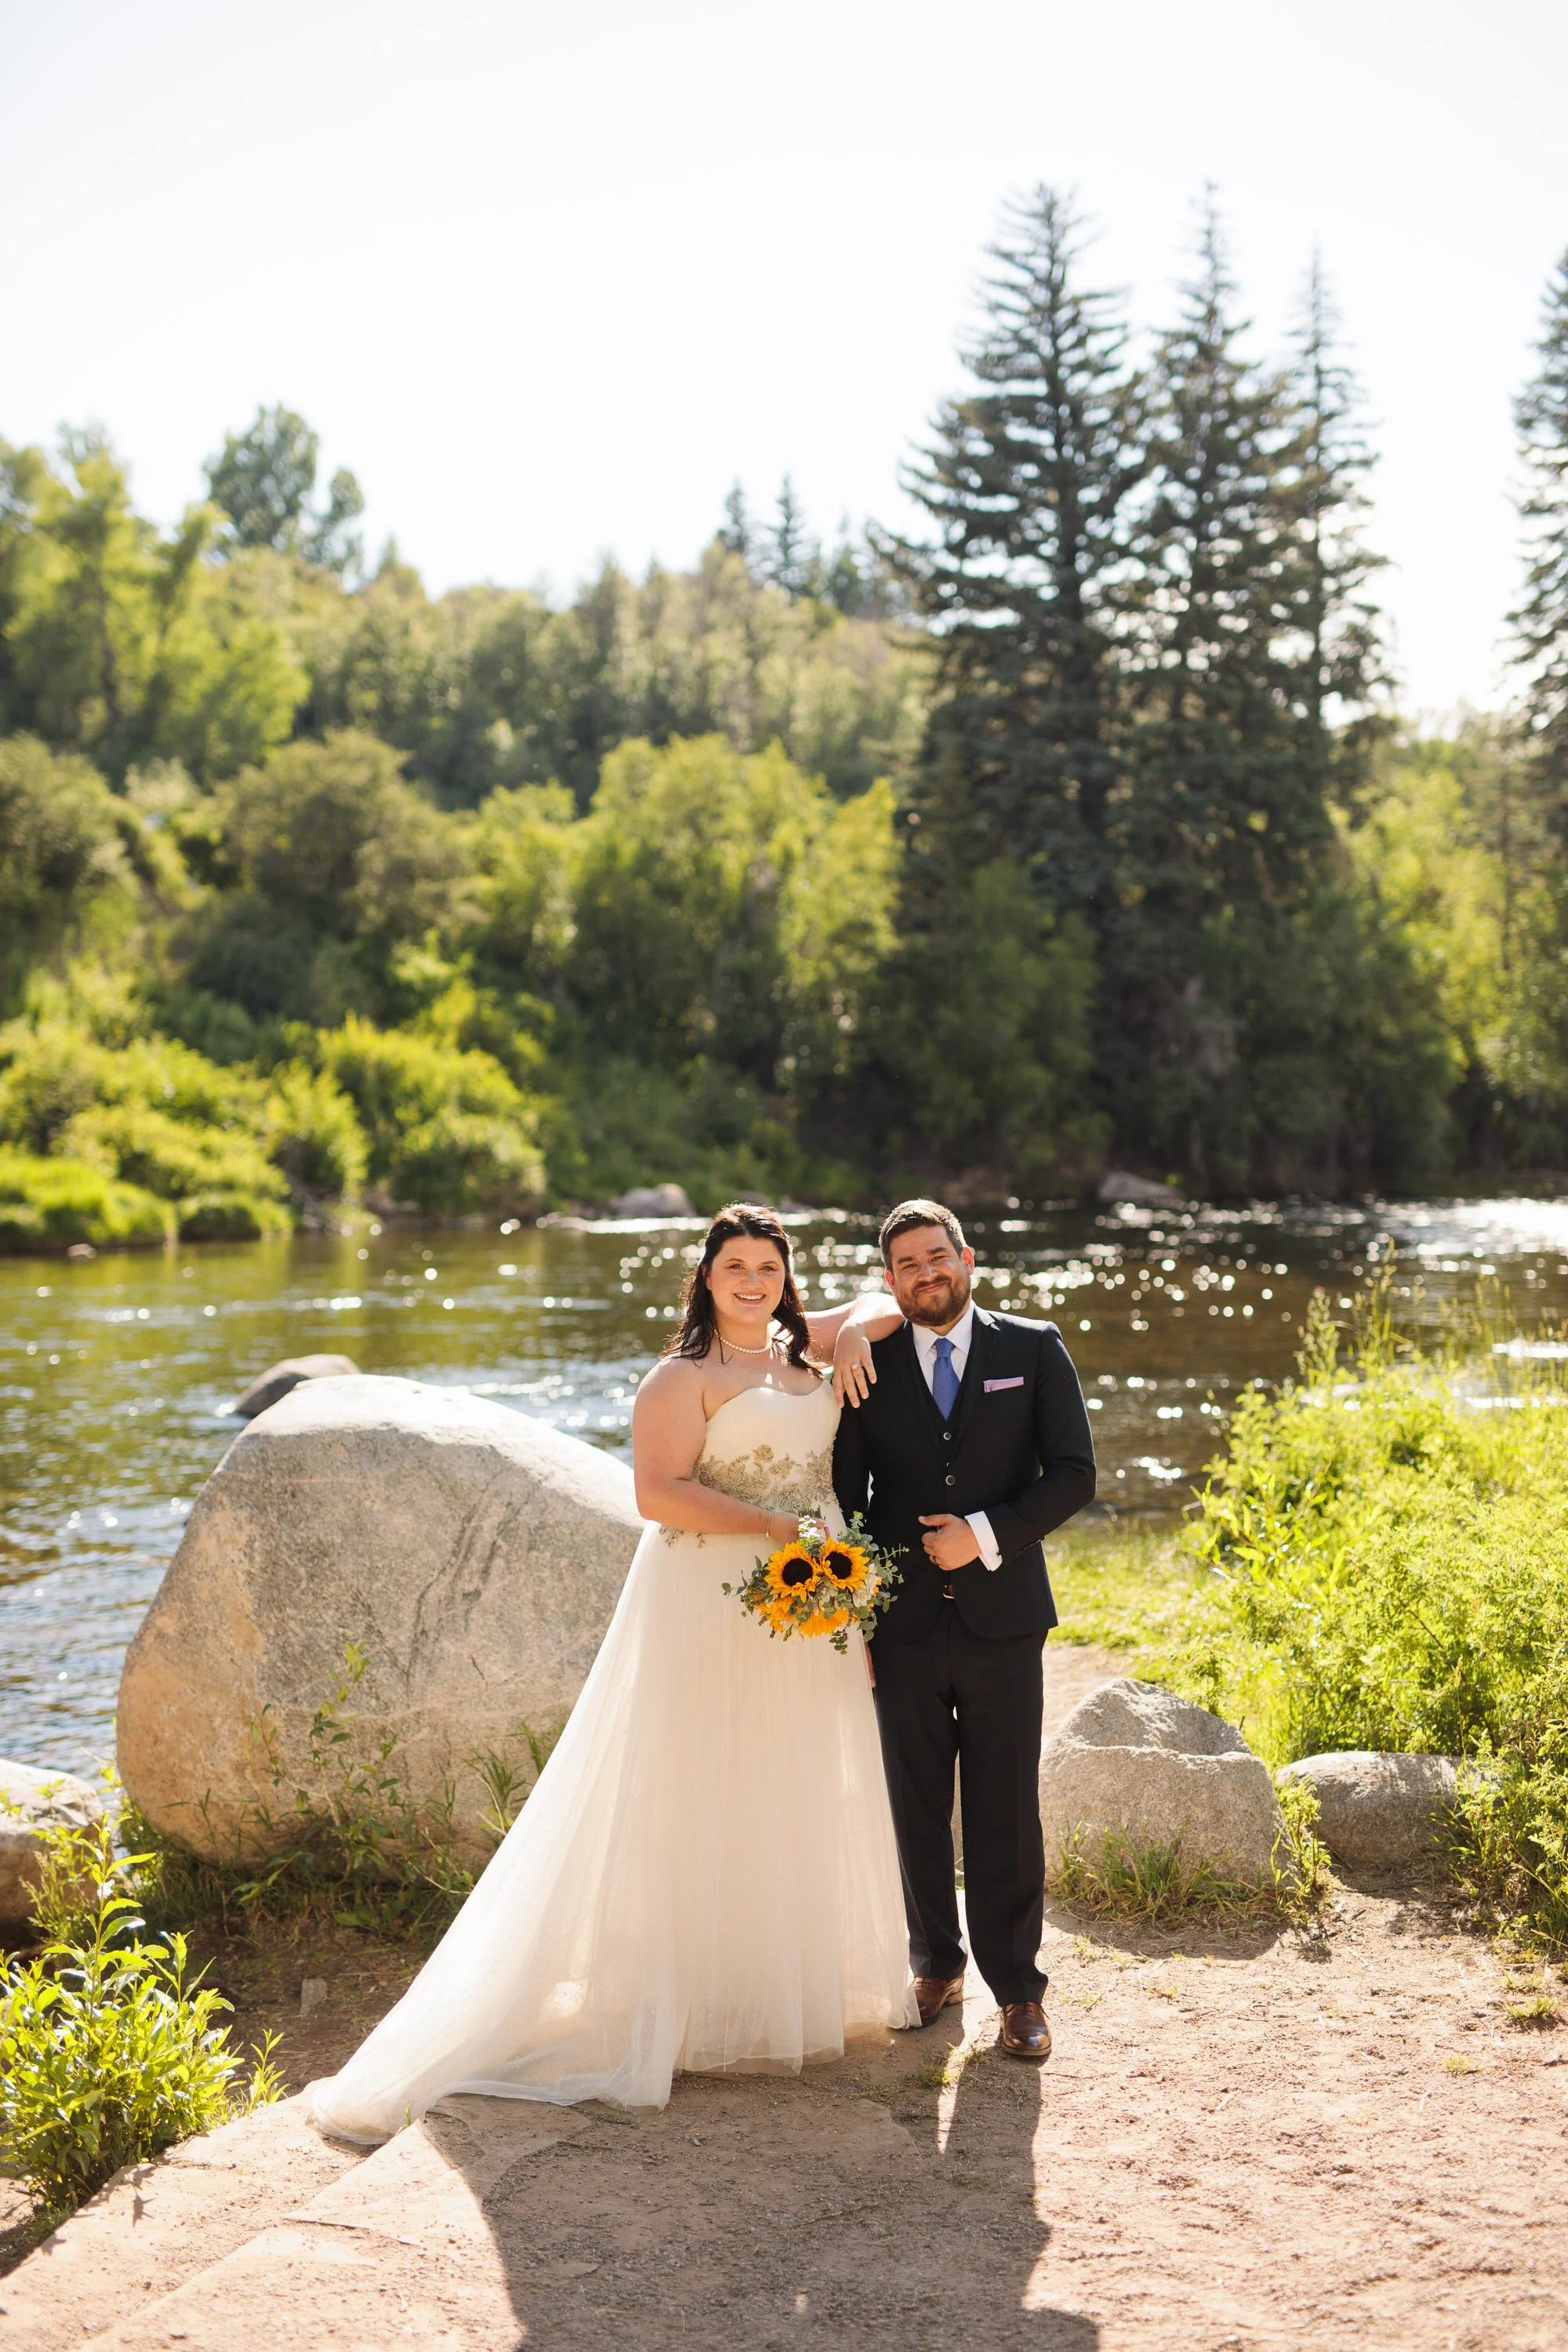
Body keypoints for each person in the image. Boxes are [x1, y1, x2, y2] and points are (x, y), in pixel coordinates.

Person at [307, 1204, 912, 2141]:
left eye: (768, 1267)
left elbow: (882, 1296)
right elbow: (655, 1493)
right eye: (734, 1268)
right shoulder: (680, 1377)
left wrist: (865, 1332)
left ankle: (764, 1988)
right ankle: (686, 1999)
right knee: (700, 1782)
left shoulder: (802, 1354)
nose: (753, 1282)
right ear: (705, 1281)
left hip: (810, 1600)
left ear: (786, 1279)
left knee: (787, 1780)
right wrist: (771, 1528)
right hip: (712, 1595)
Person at [831, 1200, 1096, 2061]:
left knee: (1003, 1808)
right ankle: (934, 1965)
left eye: (936, 1256)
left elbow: (1072, 1474)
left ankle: (1018, 1991)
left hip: (1004, 1618)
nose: (925, 1273)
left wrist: (980, 1536)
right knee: (912, 1802)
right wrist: (858, 1608)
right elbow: (848, 1496)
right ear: (889, 1280)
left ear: (967, 1258)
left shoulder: (1032, 1347)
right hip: (900, 1624)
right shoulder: (865, 1364)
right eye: (906, 1264)